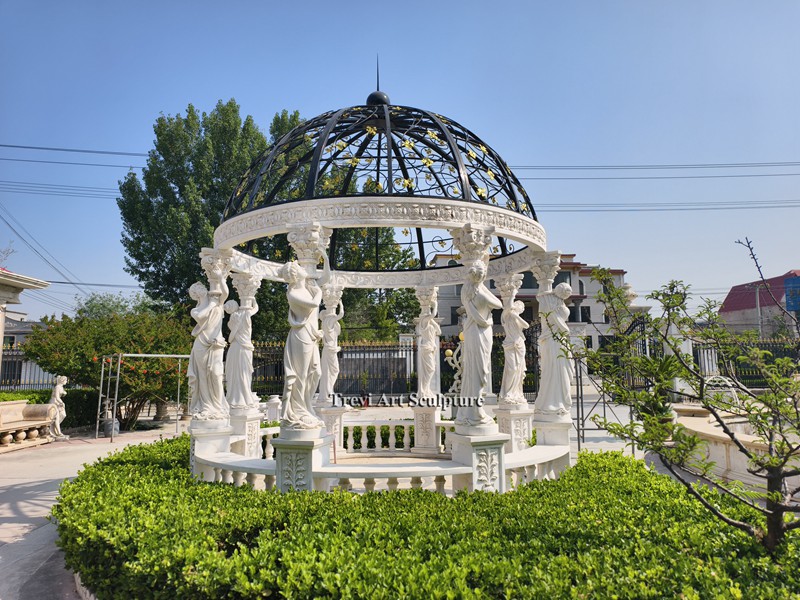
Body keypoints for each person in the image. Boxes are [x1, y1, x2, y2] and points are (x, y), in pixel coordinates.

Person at [280, 257, 329, 428]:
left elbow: (325, 278)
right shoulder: (293, 293)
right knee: (300, 375)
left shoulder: (307, 287)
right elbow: (315, 304)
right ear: (295, 274)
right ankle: (299, 410)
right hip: (300, 336)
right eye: (298, 267)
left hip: (311, 336)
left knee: (316, 371)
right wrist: (319, 292)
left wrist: (325, 257)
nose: (302, 268)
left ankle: (306, 406)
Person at [456, 261, 502, 426]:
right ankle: (475, 411)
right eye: (481, 275)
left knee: (478, 371)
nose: (481, 277)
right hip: (479, 331)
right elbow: (499, 304)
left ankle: (473, 409)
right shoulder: (476, 291)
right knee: (479, 371)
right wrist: (484, 288)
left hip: (477, 331)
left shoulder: (469, 290)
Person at [187, 281, 228, 420]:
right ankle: (206, 406)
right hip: (201, 344)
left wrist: (220, 278)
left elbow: (225, 292)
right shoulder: (196, 310)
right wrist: (211, 304)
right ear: (195, 294)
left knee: (216, 374)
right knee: (202, 376)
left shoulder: (218, 302)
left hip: (216, 344)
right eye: (198, 287)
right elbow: (200, 317)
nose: (202, 287)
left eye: (202, 286)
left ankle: (218, 406)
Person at [535, 282, 573, 421]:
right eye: (565, 291)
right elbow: (540, 296)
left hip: (559, 341)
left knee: (562, 370)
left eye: (568, 293)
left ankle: (559, 400)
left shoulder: (555, 301)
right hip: (553, 340)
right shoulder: (547, 300)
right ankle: (552, 401)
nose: (567, 294)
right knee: (553, 369)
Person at [225, 298, 259, 409]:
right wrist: (253, 300)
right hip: (240, 347)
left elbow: (230, 338)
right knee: (240, 373)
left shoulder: (236, 317)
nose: (227, 307)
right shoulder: (243, 314)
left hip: (238, 347)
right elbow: (256, 309)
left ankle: (239, 398)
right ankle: (240, 398)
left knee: (240, 373)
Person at [499, 300, 528, 404]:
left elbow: (526, 325)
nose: (521, 308)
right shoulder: (506, 316)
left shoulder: (517, 317)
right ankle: (508, 393)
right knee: (512, 369)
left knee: (519, 370)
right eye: (520, 305)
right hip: (510, 344)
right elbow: (507, 307)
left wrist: (516, 316)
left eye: (522, 307)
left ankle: (516, 393)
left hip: (520, 344)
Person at [318, 292, 344, 405]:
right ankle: (328, 391)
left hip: (329, 350)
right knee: (333, 370)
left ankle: (328, 391)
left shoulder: (326, 324)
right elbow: (341, 314)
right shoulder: (329, 321)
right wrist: (340, 304)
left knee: (328, 371)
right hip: (330, 350)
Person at [417, 301, 441, 399]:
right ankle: (424, 390)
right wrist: (435, 305)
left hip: (430, 348)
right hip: (426, 347)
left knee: (430, 369)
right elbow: (433, 314)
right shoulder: (423, 322)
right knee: (430, 369)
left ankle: (425, 390)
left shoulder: (429, 323)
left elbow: (439, 331)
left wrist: (432, 321)